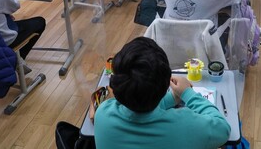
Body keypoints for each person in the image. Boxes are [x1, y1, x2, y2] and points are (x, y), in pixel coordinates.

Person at [93, 37, 231, 149]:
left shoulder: (103, 114)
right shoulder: (186, 124)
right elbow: (223, 129)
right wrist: (187, 93)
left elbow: (141, 108)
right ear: (166, 85)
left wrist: (171, 98)